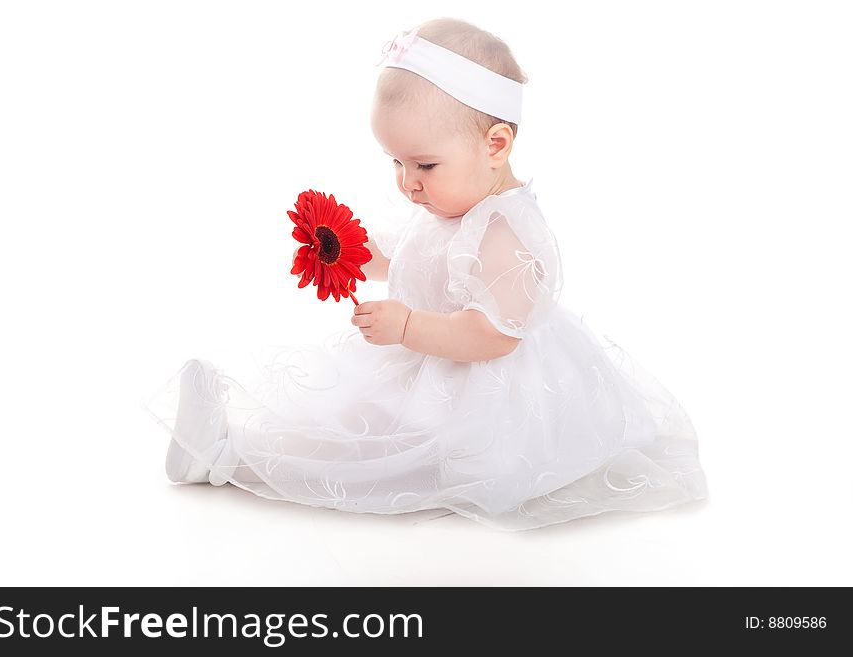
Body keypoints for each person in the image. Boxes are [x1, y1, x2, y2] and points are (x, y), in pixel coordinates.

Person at [143, 17, 708, 531]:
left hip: (481, 394)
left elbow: (494, 336)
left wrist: (410, 327)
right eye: (396, 162)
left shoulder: (507, 232)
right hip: (422, 366)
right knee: (344, 414)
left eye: (424, 164)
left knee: (382, 455)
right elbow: (414, 255)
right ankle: (234, 442)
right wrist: (347, 251)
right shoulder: (448, 202)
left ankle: (226, 456)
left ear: (495, 144)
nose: (407, 183)